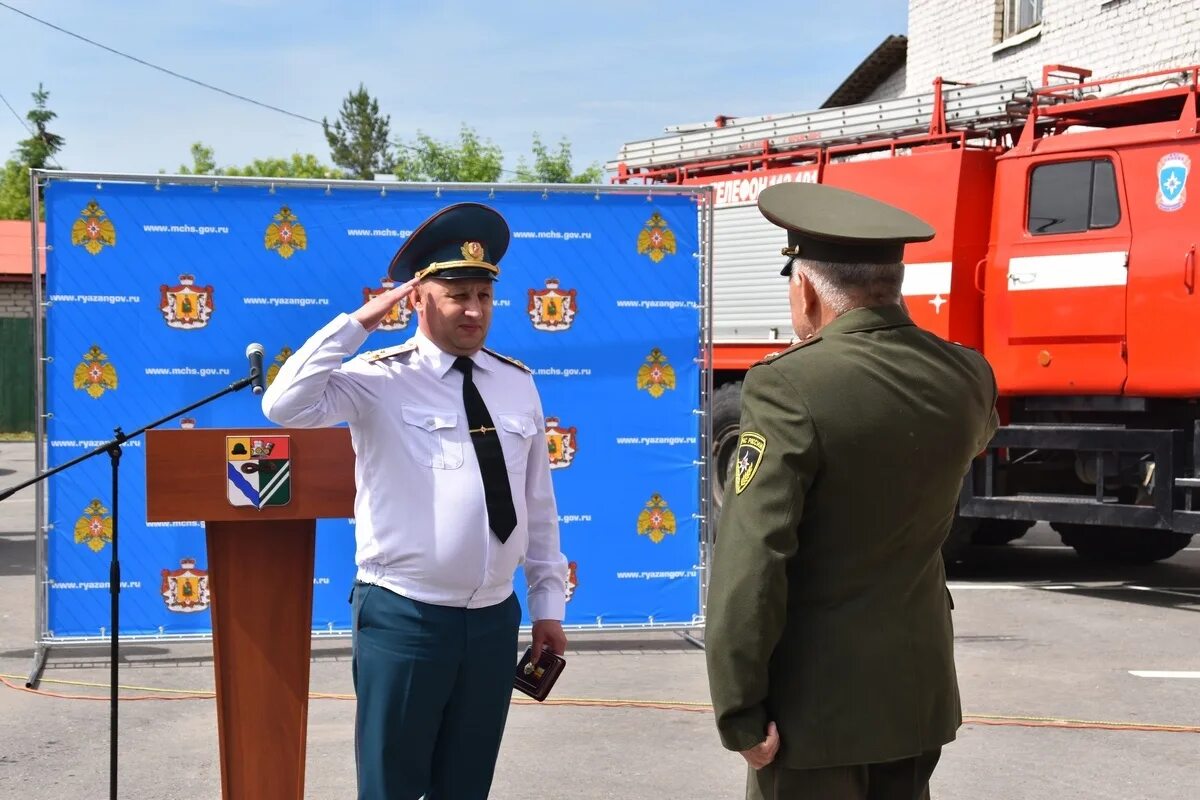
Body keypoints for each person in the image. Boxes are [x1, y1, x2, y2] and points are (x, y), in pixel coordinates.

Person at [261, 202, 569, 800]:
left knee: (466, 785)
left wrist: (547, 607)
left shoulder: (516, 382)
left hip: (492, 620)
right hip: (405, 616)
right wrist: (359, 323)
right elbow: (283, 406)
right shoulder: (378, 376)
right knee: (390, 786)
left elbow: (537, 505)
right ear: (418, 297)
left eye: (483, 294)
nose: (474, 310)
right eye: (457, 294)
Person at [704, 183, 999, 800]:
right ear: (893, 282)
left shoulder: (789, 386)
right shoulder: (968, 373)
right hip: (917, 698)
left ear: (805, 288)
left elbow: (752, 562)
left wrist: (739, 708)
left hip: (815, 710)